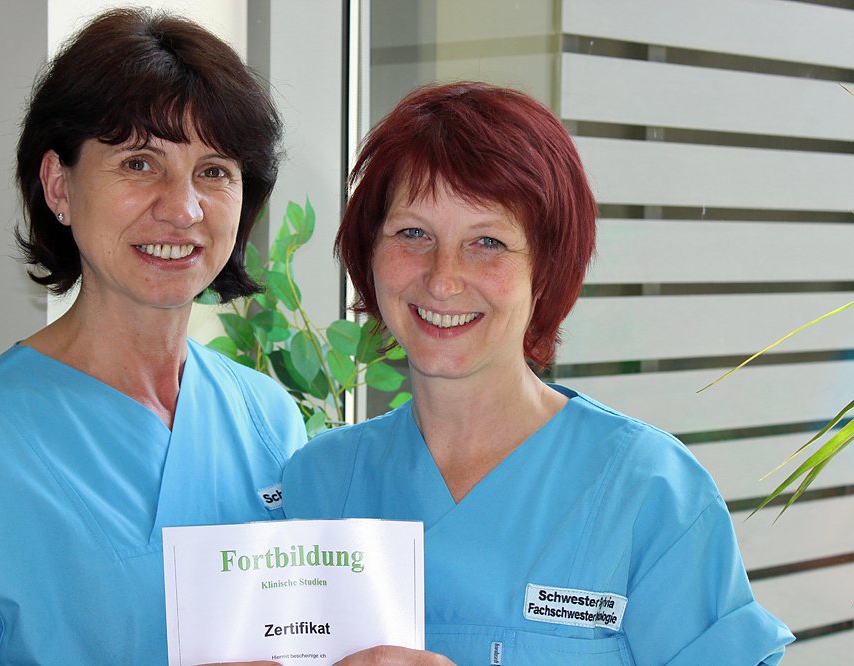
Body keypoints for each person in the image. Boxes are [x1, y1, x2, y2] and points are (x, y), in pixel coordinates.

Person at [283, 82, 794, 665]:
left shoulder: (650, 492)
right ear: (369, 252)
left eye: (488, 241)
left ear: (546, 271)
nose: (443, 279)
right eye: (413, 233)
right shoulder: (318, 483)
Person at [0, 9, 306, 664]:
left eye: (214, 171)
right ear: (58, 186)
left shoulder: (267, 421)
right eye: (139, 163)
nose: (183, 209)